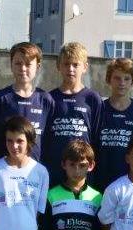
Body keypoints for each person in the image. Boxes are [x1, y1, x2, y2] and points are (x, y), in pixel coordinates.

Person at [45, 42, 103, 187]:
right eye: (66, 64)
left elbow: (96, 137)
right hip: (55, 168)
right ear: (58, 66)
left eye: (75, 65)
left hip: (82, 169)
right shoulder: (50, 98)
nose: (70, 69)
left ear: (85, 67)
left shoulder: (92, 98)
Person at [0, 42, 54, 161]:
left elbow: (50, 139)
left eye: (28, 64)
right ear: (11, 65)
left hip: (35, 169)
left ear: (37, 67)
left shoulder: (45, 100)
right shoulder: (2, 98)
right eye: (18, 63)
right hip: (7, 167)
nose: (23, 68)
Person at [95, 58, 133, 190]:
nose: (122, 83)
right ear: (109, 80)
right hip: (99, 180)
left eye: (126, 79)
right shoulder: (99, 109)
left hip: (129, 183)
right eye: (117, 78)